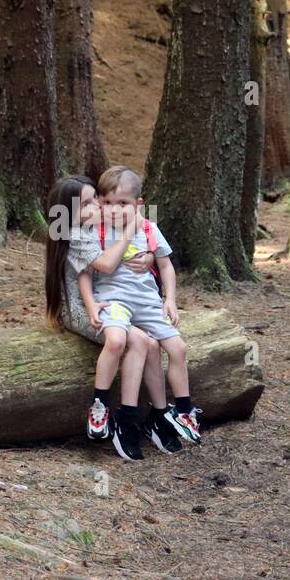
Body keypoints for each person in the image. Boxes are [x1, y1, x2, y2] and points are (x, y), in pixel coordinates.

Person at [44, 175, 173, 456]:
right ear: (68, 211)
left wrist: (149, 256)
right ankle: (117, 415)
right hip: (83, 310)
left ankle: (151, 415)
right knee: (138, 342)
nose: (97, 207)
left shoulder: (100, 226)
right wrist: (132, 227)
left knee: (151, 343)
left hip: (112, 302)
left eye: (96, 200)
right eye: (87, 204)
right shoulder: (75, 233)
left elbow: (127, 252)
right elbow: (106, 262)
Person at [80, 166, 201, 461]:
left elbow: (166, 265)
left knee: (177, 347)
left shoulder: (148, 228)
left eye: (122, 204)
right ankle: (114, 411)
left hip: (147, 302)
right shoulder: (96, 229)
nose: (113, 210)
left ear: (138, 204)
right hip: (114, 302)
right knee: (122, 340)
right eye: (107, 203)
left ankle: (183, 411)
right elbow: (86, 269)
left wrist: (170, 300)